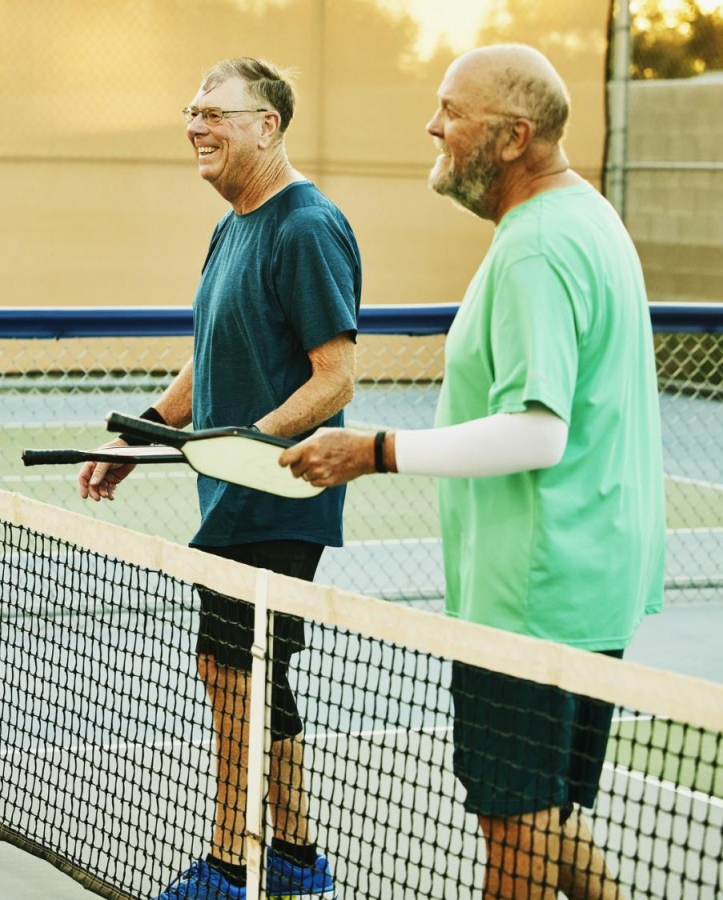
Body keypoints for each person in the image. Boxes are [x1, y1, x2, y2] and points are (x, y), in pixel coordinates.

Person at [280, 44, 665, 900]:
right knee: (551, 815)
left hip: (531, 605)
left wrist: (374, 452)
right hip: (583, 587)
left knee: (516, 845)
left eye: (452, 110)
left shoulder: (536, 247)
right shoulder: (588, 217)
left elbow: (537, 433)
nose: (432, 124)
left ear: (511, 137)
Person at [79, 57, 361, 900]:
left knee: (232, 668)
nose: (196, 126)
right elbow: (211, 358)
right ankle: (297, 857)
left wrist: (245, 447)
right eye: (191, 110)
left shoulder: (307, 226)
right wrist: (146, 432)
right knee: (243, 671)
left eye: (216, 113)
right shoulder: (233, 224)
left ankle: (232, 865)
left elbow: (335, 379)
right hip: (235, 490)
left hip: (278, 495)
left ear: (267, 126)